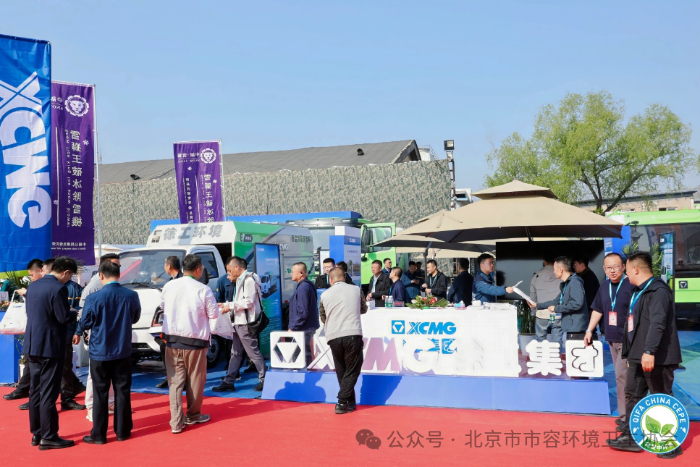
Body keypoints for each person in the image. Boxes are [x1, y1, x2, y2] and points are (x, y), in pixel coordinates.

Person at [607, 252, 683, 459]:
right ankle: (631, 438)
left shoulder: (658, 291)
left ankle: (671, 443)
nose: (625, 274)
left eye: (627, 270)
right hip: (637, 355)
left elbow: (658, 323)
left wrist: (649, 351)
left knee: (661, 398)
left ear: (636, 269)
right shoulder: (638, 291)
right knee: (632, 394)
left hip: (657, 356)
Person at [80, 261, 141, 444]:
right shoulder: (131, 295)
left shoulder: (94, 297)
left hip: (100, 351)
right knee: (123, 390)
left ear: (101, 275)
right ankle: (122, 431)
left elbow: (85, 322)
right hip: (122, 349)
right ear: (119, 274)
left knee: (100, 392)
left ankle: (99, 435)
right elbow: (135, 318)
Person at [24, 257, 79, 450]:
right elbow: (63, 317)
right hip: (50, 346)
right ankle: (49, 436)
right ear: (66, 272)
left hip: (33, 344)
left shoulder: (33, 286)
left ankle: (37, 433)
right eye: (70, 275)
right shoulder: (58, 289)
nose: (69, 279)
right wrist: (74, 313)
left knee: (35, 391)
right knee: (48, 392)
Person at [160, 254, 219, 433]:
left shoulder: (169, 286)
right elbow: (214, 314)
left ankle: (176, 422)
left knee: (175, 382)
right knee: (195, 380)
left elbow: (162, 307)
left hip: (172, 340)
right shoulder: (203, 289)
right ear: (199, 270)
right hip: (195, 341)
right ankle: (193, 415)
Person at [584, 253, 632, 428]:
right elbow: (598, 309)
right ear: (604, 269)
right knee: (621, 377)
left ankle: (627, 417)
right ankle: (624, 415)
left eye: (616, 267)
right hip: (611, 338)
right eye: (608, 268)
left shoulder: (631, 285)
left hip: (628, 339)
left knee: (622, 376)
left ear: (623, 267)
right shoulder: (604, 286)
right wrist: (589, 330)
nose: (612, 271)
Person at [214, 256, 267, 393]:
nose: (229, 273)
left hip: (244, 322)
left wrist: (229, 306)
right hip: (239, 322)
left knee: (251, 352)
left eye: (229, 270)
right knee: (236, 353)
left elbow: (248, 302)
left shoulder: (248, 280)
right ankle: (229, 381)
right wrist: (226, 305)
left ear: (237, 267)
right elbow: (242, 301)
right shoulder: (242, 280)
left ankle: (265, 379)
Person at [78, 253, 120, 419]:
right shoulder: (95, 286)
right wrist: (86, 332)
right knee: (94, 374)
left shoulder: (110, 285)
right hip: (97, 336)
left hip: (110, 336)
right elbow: (85, 314)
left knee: (109, 373)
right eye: (115, 265)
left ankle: (109, 403)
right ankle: (92, 406)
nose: (118, 269)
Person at [319, 268, 367, 414]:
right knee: (353, 369)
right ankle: (341, 401)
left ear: (330, 280)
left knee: (342, 370)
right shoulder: (356, 289)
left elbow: (323, 317)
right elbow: (363, 309)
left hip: (333, 335)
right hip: (352, 332)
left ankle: (350, 403)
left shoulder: (324, 295)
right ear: (344, 277)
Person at [4, 259, 44, 402]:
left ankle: (35, 397)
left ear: (40, 270)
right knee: (30, 362)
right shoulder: (35, 286)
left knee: (39, 365)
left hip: (43, 333)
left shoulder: (47, 286)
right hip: (33, 331)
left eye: (32, 275)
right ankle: (25, 390)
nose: (31, 278)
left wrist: (27, 294)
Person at [528, 256, 589, 337]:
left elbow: (577, 304)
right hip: (570, 327)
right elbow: (556, 301)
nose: (553, 271)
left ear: (560, 270)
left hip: (576, 328)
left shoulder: (574, 282)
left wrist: (556, 309)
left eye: (554, 269)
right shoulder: (567, 283)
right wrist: (537, 305)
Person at [156, 255, 184, 389]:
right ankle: (170, 377)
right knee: (165, 348)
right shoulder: (170, 282)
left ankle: (182, 380)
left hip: (182, 323)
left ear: (169, 266)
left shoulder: (183, 280)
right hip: (171, 322)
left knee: (181, 352)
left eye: (164, 265)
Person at [288, 262, 320, 365]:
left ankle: (305, 374)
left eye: (293, 272)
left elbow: (302, 312)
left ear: (301, 273)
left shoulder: (303, 288)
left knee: (300, 357)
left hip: (303, 329)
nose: (291, 274)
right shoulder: (305, 286)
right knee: (304, 355)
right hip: (305, 328)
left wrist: (293, 327)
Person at [530, 256, 564, 351]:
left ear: (544, 261)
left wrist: (534, 312)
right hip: (557, 313)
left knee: (540, 341)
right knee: (557, 341)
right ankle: (557, 358)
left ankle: (541, 358)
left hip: (542, 314)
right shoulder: (561, 275)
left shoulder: (536, 276)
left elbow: (533, 297)